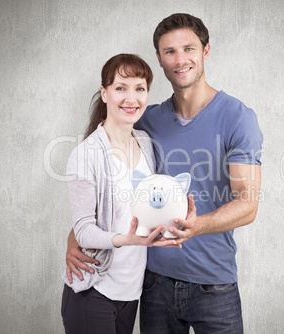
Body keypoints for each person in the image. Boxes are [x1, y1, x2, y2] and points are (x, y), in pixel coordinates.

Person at [65, 13, 263, 334]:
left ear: (206, 51)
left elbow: (248, 204)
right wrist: (76, 235)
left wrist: (196, 226)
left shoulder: (237, 118)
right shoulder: (147, 121)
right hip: (153, 283)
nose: (180, 59)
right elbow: (107, 178)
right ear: (159, 58)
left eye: (189, 48)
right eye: (169, 51)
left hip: (213, 286)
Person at [61, 53, 186, 334]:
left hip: (131, 293)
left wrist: (174, 218)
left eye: (139, 88)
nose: (132, 98)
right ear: (104, 94)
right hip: (94, 290)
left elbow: (147, 207)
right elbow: (83, 231)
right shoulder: (87, 155)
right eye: (121, 88)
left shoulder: (144, 143)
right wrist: (125, 240)